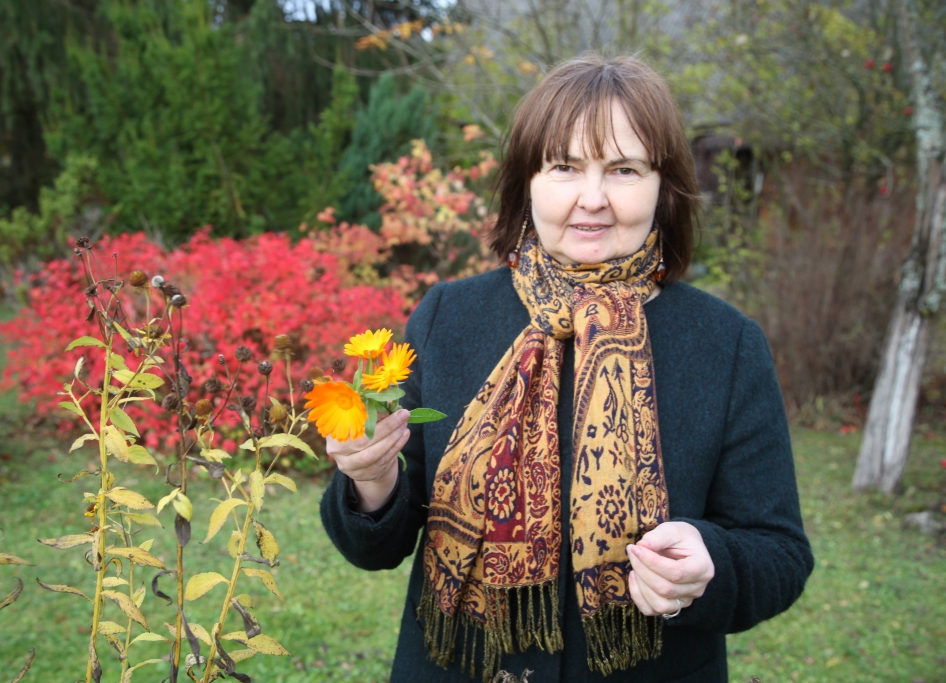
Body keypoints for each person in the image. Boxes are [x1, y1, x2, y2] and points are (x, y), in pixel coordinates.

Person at [320, 54, 812, 683]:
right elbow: (375, 545)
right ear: (527, 181)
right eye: (566, 167)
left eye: (625, 169)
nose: (593, 199)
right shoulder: (449, 317)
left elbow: (780, 553)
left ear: (665, 188)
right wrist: (371, 483)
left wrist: (711, 565)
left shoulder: (727, 343)